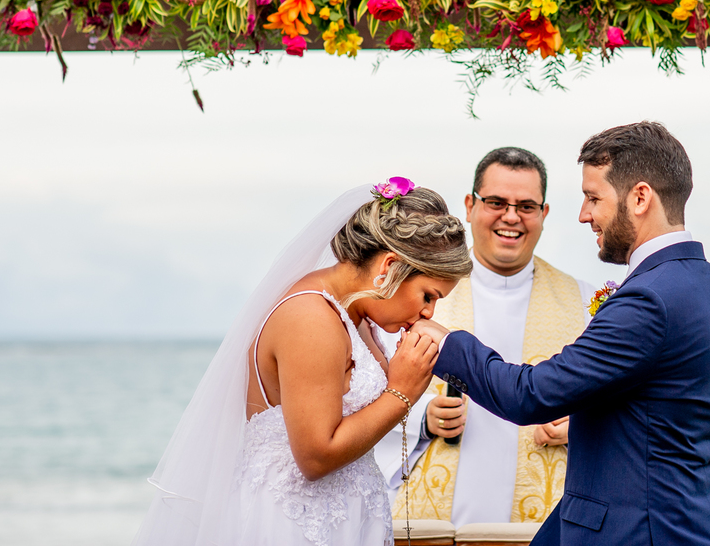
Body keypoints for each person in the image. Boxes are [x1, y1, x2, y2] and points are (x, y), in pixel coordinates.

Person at [413, 122, 710, 546]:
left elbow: (530, 395)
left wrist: (445, 341)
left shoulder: (647, 300)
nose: (584, 214)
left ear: (640, 197)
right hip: (702, 528)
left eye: (594, 198)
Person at [132, 179, 472, 546]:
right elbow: (315, 456)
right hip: (292, 524)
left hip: (349, 518)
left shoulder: (357, 315)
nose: (428, 312)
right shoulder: (312, 319)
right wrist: (401, 392)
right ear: (389, 266)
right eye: (428, 295)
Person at [378, 148, 594, 526]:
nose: (511, 217)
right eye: (496, 202)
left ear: (544, 214)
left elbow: (618, 407)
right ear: (469, 205)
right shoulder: (418, 298)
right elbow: (363, 399)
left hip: (543, 526)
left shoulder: (585, 303)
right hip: (434, 525)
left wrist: (581, 424)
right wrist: (423, 421)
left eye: (526, 206)